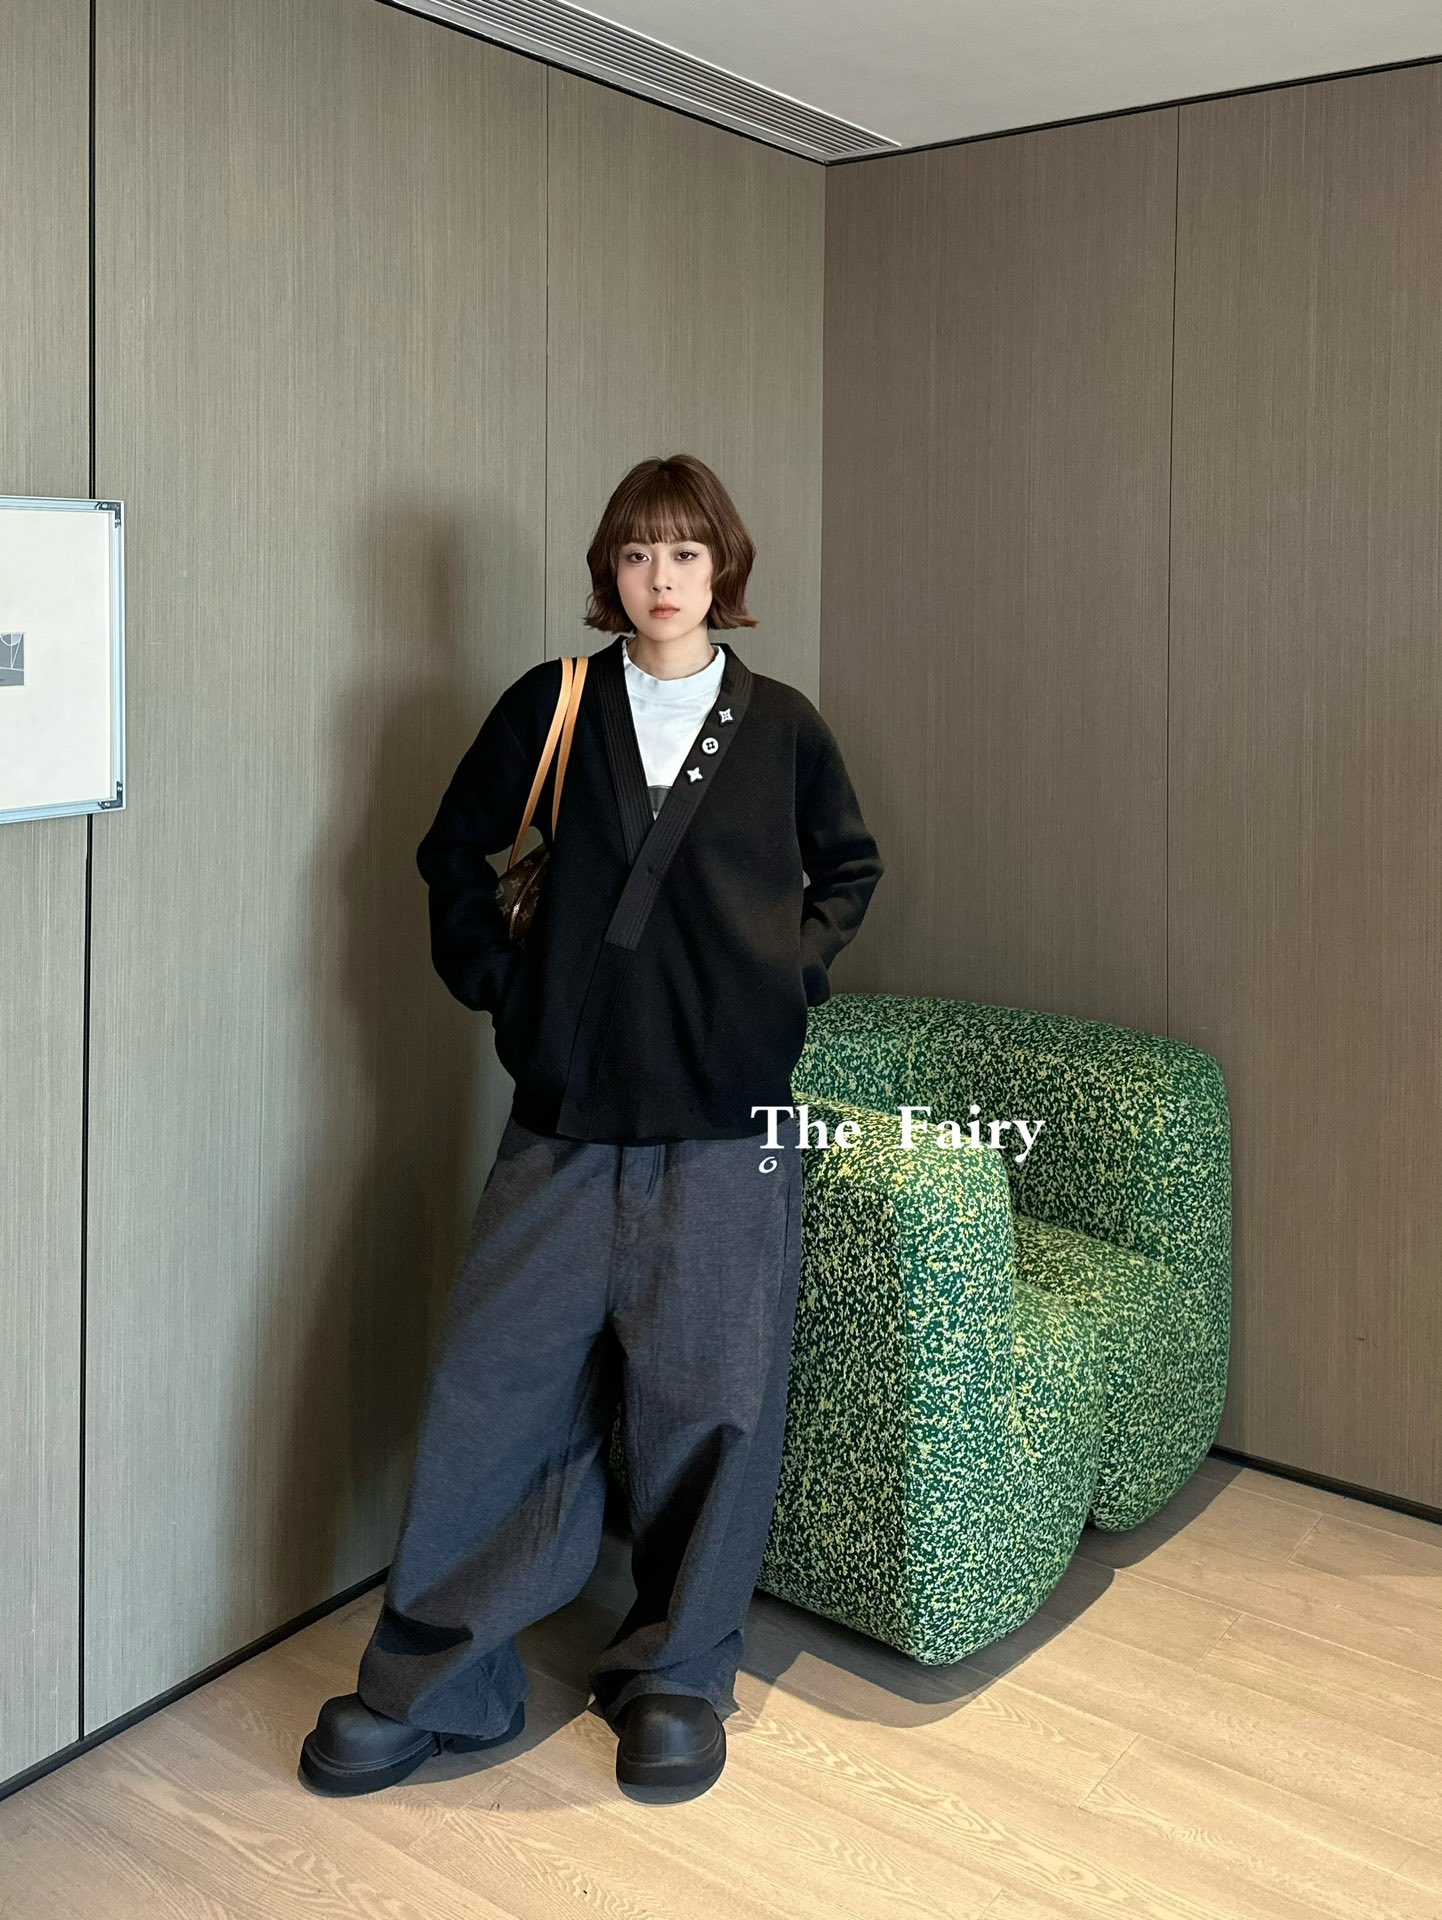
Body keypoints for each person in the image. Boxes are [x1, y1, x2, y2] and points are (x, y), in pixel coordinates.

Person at [299, 453, 884, 1800]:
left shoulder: (784, 727)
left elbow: (849, 868)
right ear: (608, 572)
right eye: (636, 553)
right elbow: (450, 857)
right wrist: (512, 996)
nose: (661, 578)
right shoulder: (551, 704)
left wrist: (781, 982)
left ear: (722, 569)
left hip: (728, 1128)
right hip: (565, 1122)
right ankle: (439, 1682)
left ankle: (676, 1676)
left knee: (711, 1408)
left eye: (685, 552)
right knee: (495, 1395)